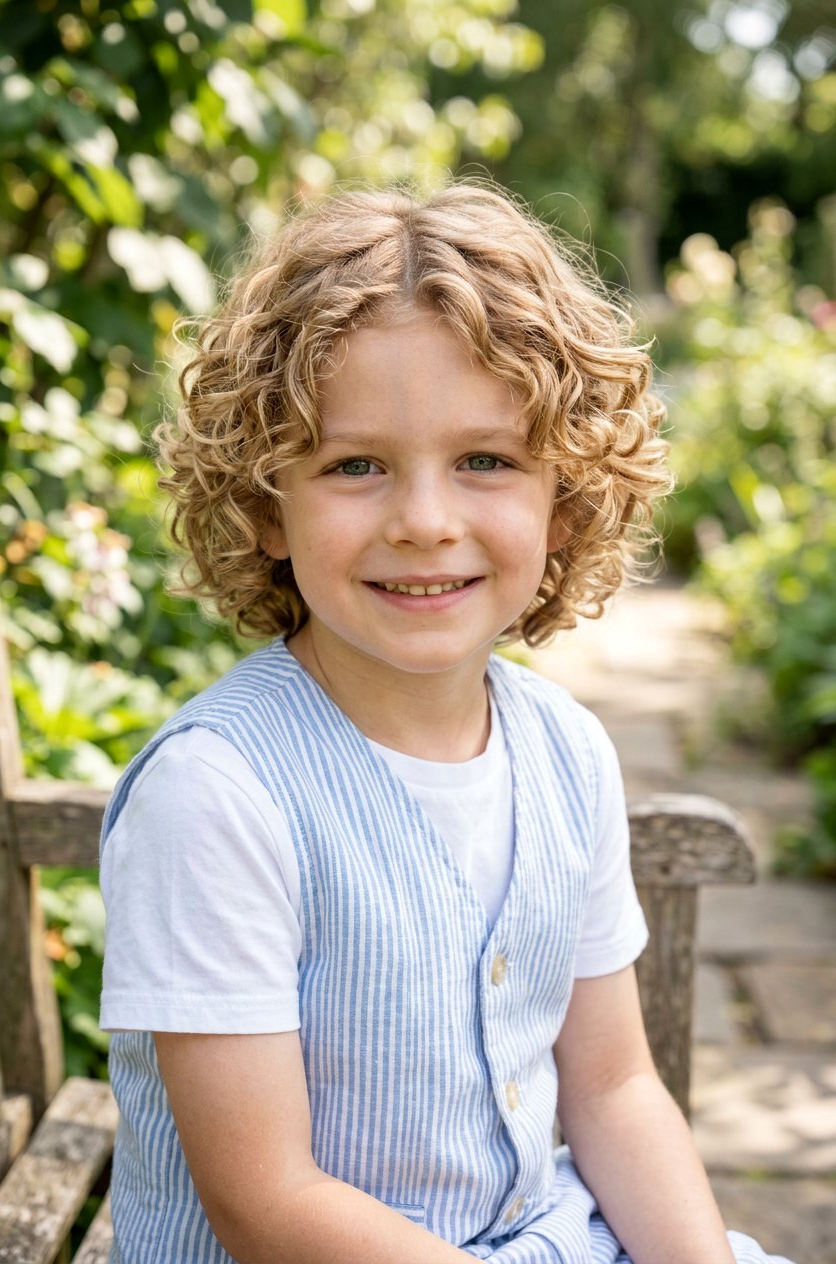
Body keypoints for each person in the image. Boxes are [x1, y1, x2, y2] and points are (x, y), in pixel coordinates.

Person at [99, 183, 793, 1264]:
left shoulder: (564, 751)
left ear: (564, 499)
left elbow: (612, 1087)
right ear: (266, 504)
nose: (424, 522)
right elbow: (266, 1202)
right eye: (354, 466)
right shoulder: (216, 794)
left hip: (521, 1236)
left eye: (485, 460)